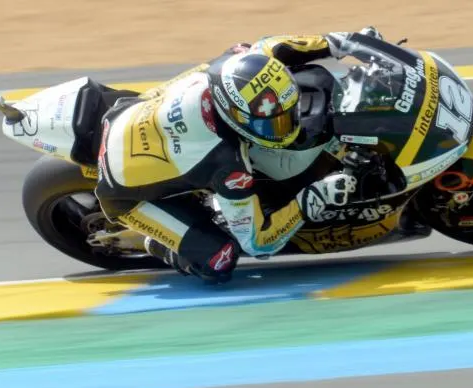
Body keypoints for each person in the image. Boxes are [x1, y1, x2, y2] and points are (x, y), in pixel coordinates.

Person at [94, 27, 385, 283]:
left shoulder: (238, 61)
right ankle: (155, 244)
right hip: (123, 193)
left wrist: (345, 42)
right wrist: (315, 196)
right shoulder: (226, 163)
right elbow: (259, 242)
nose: (290, 127)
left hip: (127, 115)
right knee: (219, 259)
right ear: (235, 116)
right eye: (274, 124)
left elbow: (275, 45)